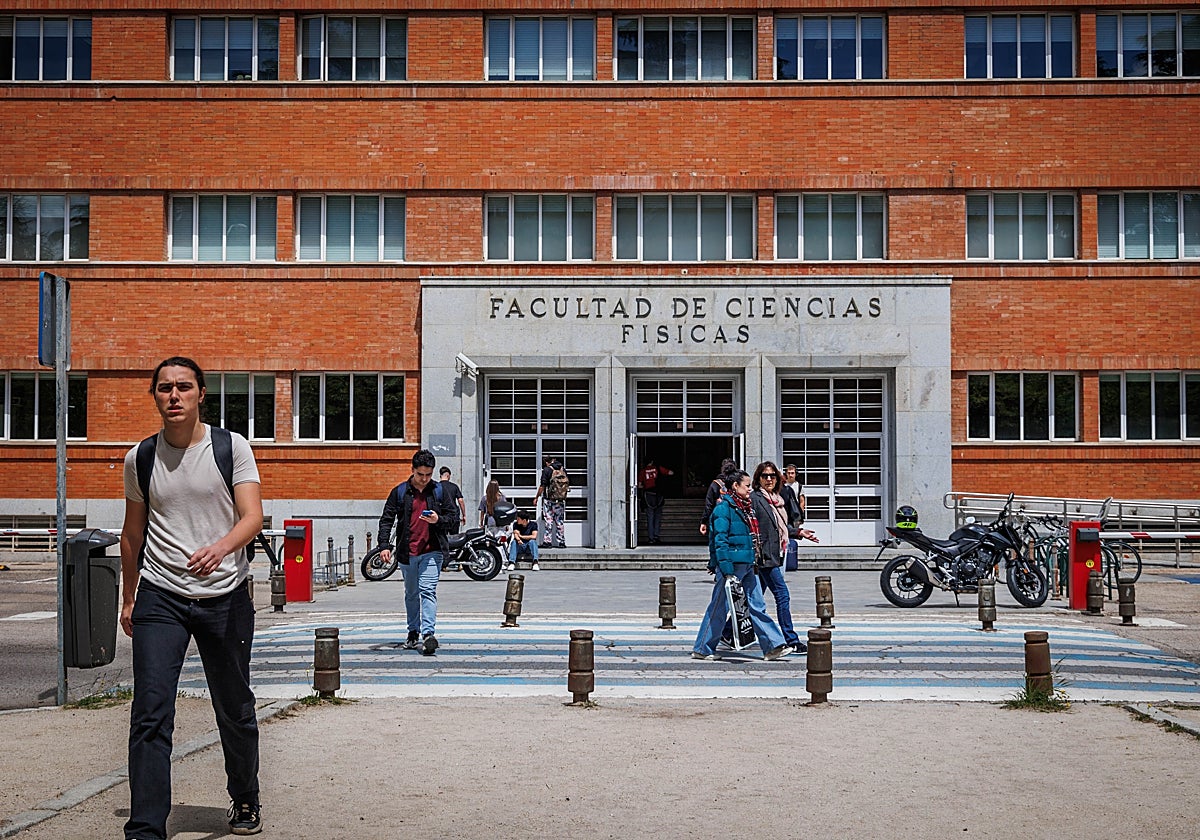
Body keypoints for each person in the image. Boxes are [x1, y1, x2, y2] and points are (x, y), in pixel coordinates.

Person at [119, 356, 265, 838]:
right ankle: (145, 828)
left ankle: (245, 796)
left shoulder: (231, 447)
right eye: (164, 388)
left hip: (224, 594)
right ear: (155, 396)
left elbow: (252, 516)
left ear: (201, 393)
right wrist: (129, 598)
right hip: (161, 596)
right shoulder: (140, 457)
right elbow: (132, 534)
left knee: (234, 707)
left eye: (183, 386)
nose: (174, 395)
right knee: (150, 712)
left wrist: (220, 548)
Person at [692, 469, 792, 662]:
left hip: (748, 564)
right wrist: (726, 569)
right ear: (735, 486)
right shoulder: (723, 509)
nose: (749, 489)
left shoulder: (747, 508)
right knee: (719, 607)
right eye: (746, 486)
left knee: (757, 605)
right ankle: (702, 648)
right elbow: (719, 541)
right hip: (731, 566)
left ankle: (773, 645)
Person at [377, 449, 460, 656]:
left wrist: (438, 520)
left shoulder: (439, 491)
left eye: (428, 474)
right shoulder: (400, 492)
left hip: (432, 550)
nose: (424, 479)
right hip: (407, 551)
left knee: (428, 590)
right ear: (412, 470)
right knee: (412, 594)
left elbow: (453, 519)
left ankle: (428, 634)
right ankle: (413, 632)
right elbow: (387, 519)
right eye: (420, 474)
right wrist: (384, 545)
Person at [751, 461, 818, 654]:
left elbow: (779, 526)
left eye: (772, 476)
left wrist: (799, 532)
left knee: (754, 600)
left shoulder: (776, 500)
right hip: (764, 557)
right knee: (782, 595)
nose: (769, 479)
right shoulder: (755, 499)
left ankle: (727, 631)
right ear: (758, 479)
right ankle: (791, 639)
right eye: (765, 476)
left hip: (775, 554)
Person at [533, 454, 568, 549]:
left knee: (549, 520)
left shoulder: (547, 470)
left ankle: (547, 542)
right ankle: (561, 542)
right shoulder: (562, 469)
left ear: (546, 462)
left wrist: (536, 497)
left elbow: (542, 485)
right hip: (560, 500)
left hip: (549, 500)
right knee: (559, 521)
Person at [699, 457, 738, 537]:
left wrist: (703, 521)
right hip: (735, 517)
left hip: (718, 518)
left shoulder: (715, 484)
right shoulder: (738, 484)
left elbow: (709, 505)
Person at [638, 458, 674, 545]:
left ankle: (651, 538)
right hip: (658, 495)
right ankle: (656, 536)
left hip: (648, 495)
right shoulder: (658, 468)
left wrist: (646, 485)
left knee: (650, 517)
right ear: (652, 462)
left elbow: (639, 485)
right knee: (657, 517)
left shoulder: (643, 471)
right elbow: (671, 473)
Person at [439, 466, 467, 534]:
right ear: (448, 476)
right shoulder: (454, 486)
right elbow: (460, 501)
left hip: (442, 516)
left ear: (440, 476)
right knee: (455, 538)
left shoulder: (437, 486)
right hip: (454, 516)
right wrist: (464, 515)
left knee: (442, 537)